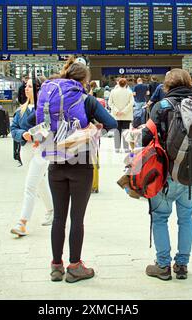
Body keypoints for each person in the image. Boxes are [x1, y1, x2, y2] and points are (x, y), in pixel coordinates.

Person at [33, 57, 117, 283]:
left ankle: (56, 266)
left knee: (59, 217)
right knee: (76, 218)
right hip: (81, 163)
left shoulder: (50, 97)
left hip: (55, 164)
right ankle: (75, 266)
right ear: (84, 80)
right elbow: (113, 123)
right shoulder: (86, 99)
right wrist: (94, 125)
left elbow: (34, 122)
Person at [145, 68, 192, 281]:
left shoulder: (162, 106)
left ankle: (163, 265)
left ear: (166, 86)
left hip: (165, 174)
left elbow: (146, 137)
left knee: (160, 218)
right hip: (191, 173)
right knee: (186, 218)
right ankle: (182, 264)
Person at [10, 77, 54, 236]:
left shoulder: (47, 109)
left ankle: (22, 222)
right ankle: (52, 210)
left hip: (42, 151)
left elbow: (51, 129)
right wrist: (23, 135)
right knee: (39, 182)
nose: (26, 89)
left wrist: (36, 136)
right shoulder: (21, 110)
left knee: (30, 186)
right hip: (25, 151)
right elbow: (13, 129)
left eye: (30, 86)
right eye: (26, 86)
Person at [108, 78, 134, 152]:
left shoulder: (113, 91)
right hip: (126, 115)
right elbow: (131, 103)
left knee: (117, 131)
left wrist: (116, 111)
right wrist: (124, 111)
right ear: (126, 84)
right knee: (125, 132)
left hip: (116, 115)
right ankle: (126, 148)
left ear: (118, 83)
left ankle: (117, 148)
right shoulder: (129, 92)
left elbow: (110, 103)